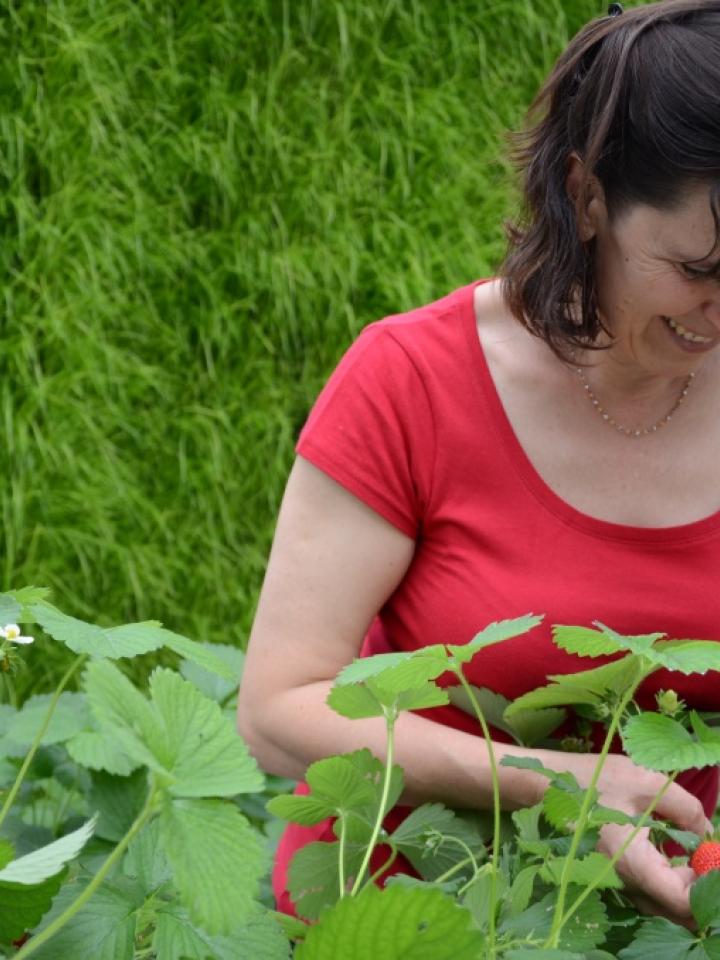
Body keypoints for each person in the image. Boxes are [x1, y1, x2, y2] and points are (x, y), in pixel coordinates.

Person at [238, 0, 720, 927]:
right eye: (701, 266)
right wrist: (556, 783)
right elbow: (277, 710)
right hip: (415, 915)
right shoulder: (412, 379)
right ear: (587, 198)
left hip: (671, 921)